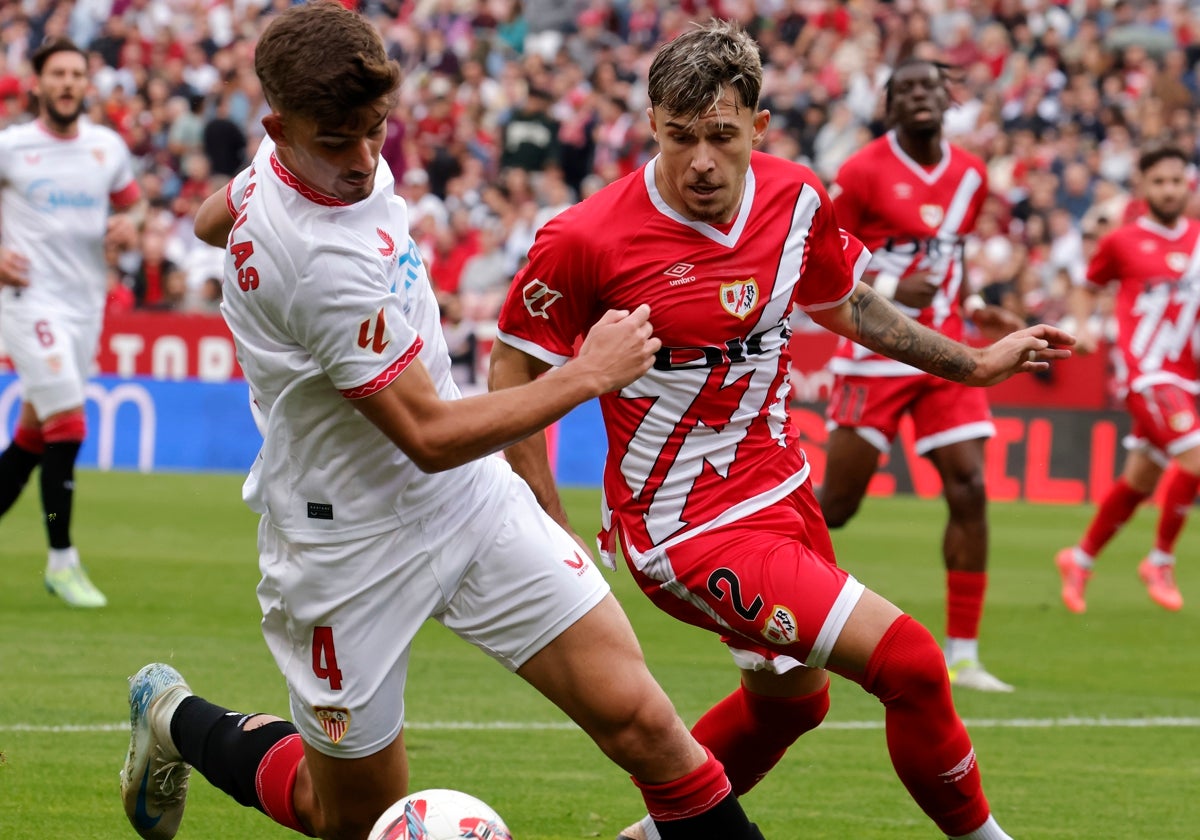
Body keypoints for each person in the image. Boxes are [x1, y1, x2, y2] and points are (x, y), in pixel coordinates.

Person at [119, 6, 766, 840]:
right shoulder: (315, 263)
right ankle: (174, 717)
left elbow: (218, 217)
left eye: (374, 132)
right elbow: (425, 436)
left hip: (467, 501)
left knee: (648, 728)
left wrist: (254, 216)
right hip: (346, 543)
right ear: (278, 127)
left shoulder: (287, 161)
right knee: (344, 818)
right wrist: (586, 374)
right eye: (336, 140)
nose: (361, 162)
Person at [490, 21, 1072, 840]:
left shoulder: (797, 198)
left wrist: (972, 366)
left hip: (782, 492)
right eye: (679, 136)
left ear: (758, 129)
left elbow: (846, 303)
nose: (699, 160)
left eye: (721, 137)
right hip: (685, 527)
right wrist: (547, 530)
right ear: (651, 122)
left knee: (791, 708)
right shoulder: (586, 237)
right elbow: (512, 369)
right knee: (911, 665)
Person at [819, 57, 1027, 694]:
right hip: (874, 352)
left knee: (969, 489)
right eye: (904, 88)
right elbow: (821, 253)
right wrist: (887, 284)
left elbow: (950, 256)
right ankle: (781, 617)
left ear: (947, 97)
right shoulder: (861, 172)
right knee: (839, 506)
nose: (919, 96)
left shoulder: (970, 174)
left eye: (929, 86)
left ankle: (964, 654)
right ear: (889, 105)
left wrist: (971, 306)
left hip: (945, 355)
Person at [0, 37, 141, 608]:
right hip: (28, 300)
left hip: (86, 306)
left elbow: (133, 204)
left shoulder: (107, 148)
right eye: (56, 73)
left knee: (34, 438)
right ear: (37, 83)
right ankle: (62, 560)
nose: (66, 83)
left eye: (75, 74)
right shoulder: (12, 147)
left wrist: (132, 223)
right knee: (68, 424)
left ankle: (60, 558)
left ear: (87, 84)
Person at [1055, 143, 1199, 613]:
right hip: (1146, 373)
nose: (1170, 190)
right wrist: (1082, 328)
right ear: (1143, 188)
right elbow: (1087, 286)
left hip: (1188, 375)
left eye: (1176, 181)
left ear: (1188, 184)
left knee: (1139, 481)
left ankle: (1079, 558)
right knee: (1196, 461)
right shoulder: (1123, 241)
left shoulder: (1198, 239)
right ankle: (1159, 559)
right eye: (1159, 182)